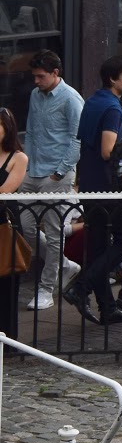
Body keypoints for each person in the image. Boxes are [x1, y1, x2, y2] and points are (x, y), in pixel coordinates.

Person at [64, 56, 122, 326]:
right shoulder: (113, 109)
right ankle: (80, 287)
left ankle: (106, 308)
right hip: (108, 188)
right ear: (113, 79)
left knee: (97, 246)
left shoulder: (94, 101)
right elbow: (108, 149)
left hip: (90, 184)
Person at [21, 50, 81, 312]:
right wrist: (27, 165)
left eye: (40, 76)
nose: (36, 81)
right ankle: (65, 266)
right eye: (34, 76)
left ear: (56, 73)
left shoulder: (71, 99)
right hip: (33, 170)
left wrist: (60, 171)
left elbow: (78, 138)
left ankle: (47, 289)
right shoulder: (36, 95)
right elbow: (32, 130)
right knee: (25, 226)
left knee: (56, 233)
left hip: (56, 173)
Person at [0, 109, 27, 342]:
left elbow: (7, 189)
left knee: (7, 284)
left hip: (4, 225)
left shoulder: (18, 157)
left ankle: (8, 342)